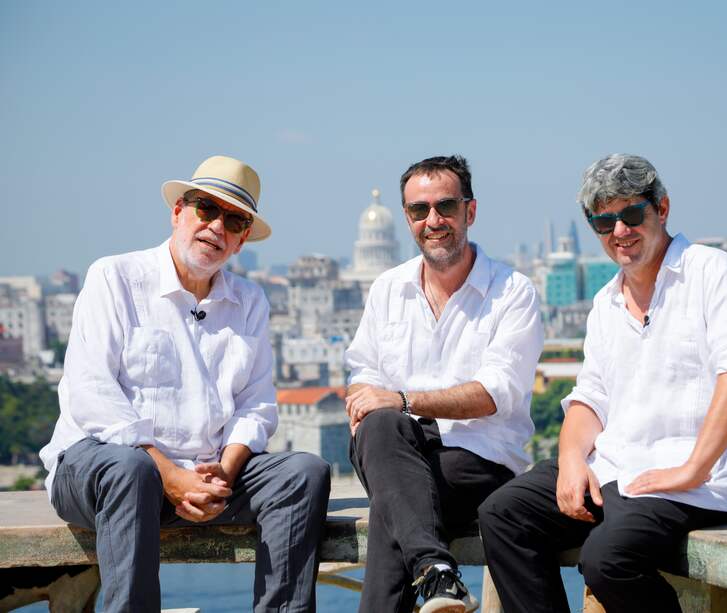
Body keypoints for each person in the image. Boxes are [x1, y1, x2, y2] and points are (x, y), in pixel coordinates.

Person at [478, 153, 727, 613]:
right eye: (604, 222)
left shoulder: (709, 271)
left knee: (608, 559)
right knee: (502, 515)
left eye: (631, 214)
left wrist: (693, 469)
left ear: (661, 209)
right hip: (620, 470)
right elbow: (590, 398)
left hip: (697, 480)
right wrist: (568, 460)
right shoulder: (606, 303)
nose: (619, 231)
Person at [39, 155, 331, 613]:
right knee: (130, 471)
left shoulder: (250, 301)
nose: (217, 226)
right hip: (104, 471)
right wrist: (169, 475)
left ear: (239, 243)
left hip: (203, 474)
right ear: (178, 212)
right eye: (206, 209)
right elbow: (91, 394)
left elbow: (256, 407)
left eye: (234, 221)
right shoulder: (115, 277)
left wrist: (225, 471)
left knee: (303, 473)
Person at [343, 155, 543, 613]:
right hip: (394, 448)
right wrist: (370, 403)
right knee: (379, 429)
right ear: (406, 218)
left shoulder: (512, 292)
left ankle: (434, 571)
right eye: (418, 210)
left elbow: (494, 394)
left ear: (469, 212)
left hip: (475, 458)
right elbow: (362, 378)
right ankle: (437, 571)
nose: (432, 220)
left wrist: (403, 400)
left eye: (445, 207)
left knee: (394, 507)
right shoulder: (388, 288)